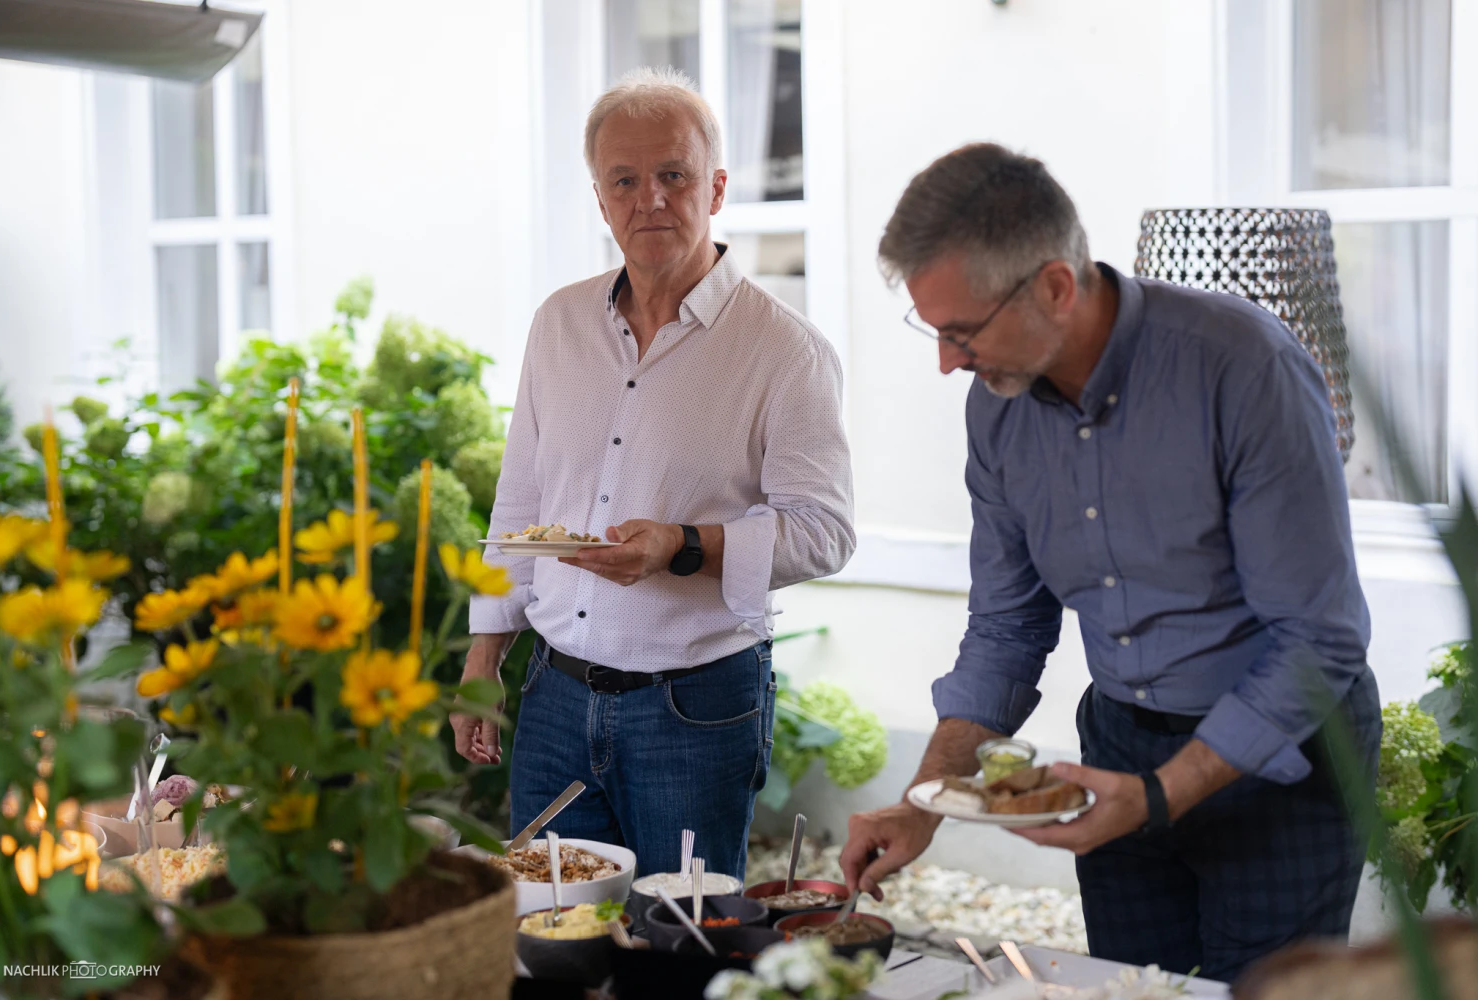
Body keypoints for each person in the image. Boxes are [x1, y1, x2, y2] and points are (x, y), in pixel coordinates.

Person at [839, 143, 1379, 984]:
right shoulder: (998, 411)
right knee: (1130, 988)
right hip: (1119, 750)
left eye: (961, 331)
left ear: (1055, 286)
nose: (947, 362)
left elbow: (1318, 638)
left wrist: (1164, 793)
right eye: (933, 330)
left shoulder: (1243, 368)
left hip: (1286, 764)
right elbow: (1008, 628)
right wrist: (925, 805)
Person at [453, 67, 854, 881]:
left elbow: (826, 532)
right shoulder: (558, 323)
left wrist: (681, 545)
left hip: (696, 707)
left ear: (716, 186)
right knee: (548, 930)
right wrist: (481, 660)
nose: (652, 200)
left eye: (673, 176)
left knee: (683, 940)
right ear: (601, 200)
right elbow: (523, 497)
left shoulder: (786, 350)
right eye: (625, 181)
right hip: (554, 697)